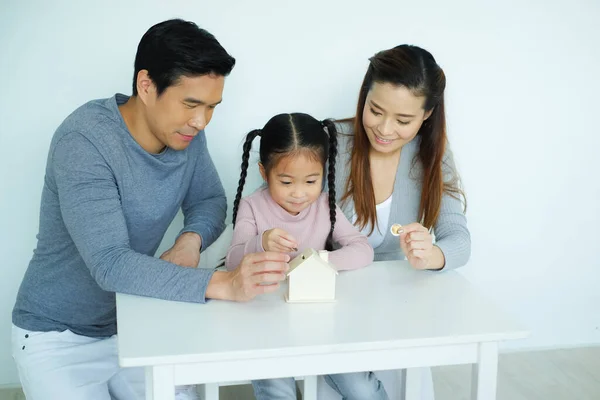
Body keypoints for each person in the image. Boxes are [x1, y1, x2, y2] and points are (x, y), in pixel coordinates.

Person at [11, 19, 289, 400]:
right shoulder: (84, 141)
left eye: (211, 107)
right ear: (146, 85)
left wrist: (191, 240)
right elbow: (110, 262)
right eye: (191, 104)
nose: (201, 121)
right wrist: (225, 283)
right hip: (59, 338)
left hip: (140, 322)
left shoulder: (187, 135)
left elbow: (209, 200)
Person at [323, 45, 472, 399]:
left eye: (403, 121)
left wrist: (431, 254)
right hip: (330, 310)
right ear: (364, 97)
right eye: (375, 111)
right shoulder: (328, 143)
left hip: (394, 309)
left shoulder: (432, 155)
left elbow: (459, 239)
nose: (385, 129)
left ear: (427, 115)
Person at [225, 113, 374, 399]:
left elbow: (362, 249)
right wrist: (262, 242)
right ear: (263, 172)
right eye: (285, 181)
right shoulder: (253, 207)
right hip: (266, 322)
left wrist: (319, 261)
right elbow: (233, 261)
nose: (298, 194)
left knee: (361, 387)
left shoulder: (324, 205)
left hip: (321, 321)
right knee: (277, 390)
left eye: (310, 181)